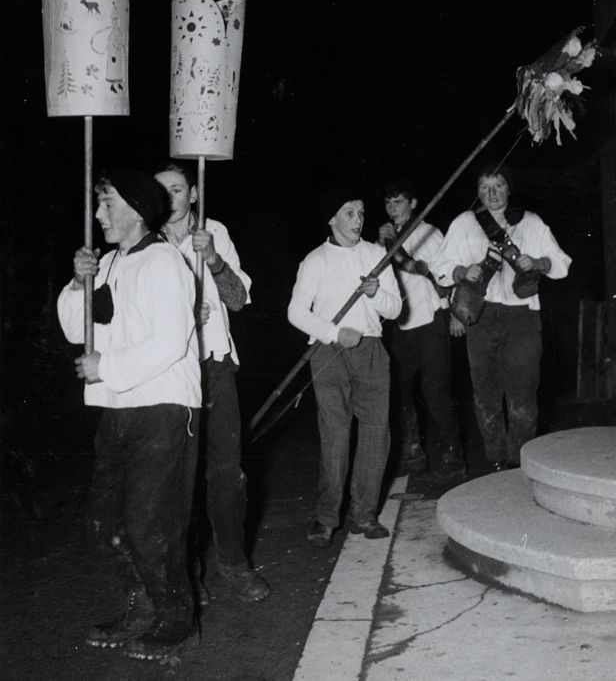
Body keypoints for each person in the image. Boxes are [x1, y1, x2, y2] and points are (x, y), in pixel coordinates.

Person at [57, 169, 201, 661]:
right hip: (117, 407)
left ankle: (177, 620)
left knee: (149, 524)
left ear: (137, 210)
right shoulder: (110, 263)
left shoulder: (164, 262)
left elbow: (171, 340)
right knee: (108, 521)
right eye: (98, 204)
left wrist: (107, 367)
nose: (98, 215)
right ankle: (141, 609)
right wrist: (78, 282)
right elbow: (77, 330)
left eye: (108, 204)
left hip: (162, 406)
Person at [155, 163, 270, 603]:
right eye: (161, 190)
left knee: (226, 471)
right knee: (176, 476)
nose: (168, 198)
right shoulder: (146, 242)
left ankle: (234, 564)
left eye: (177, 189)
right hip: (169, 370)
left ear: (194, 194)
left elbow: (238, 301)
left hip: (215, 365)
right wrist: (182, 316)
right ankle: (187, 573)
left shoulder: (214, 231)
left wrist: (214, 260)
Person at [432, 165, 571, 470]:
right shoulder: (465, 222)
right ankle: (496, 461)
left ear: (509, 188)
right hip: (481, 315)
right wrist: (461, 271)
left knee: (523, 393)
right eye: (485, 187)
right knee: (485, 393)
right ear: (477, 191)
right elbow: (438, 266)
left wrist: (538, 262)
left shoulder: (530, 222)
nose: (492, 193)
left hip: (522, 317)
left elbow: (562, 263)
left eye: (498, 185)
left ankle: (519, 463)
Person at [288, 185, 402, 548]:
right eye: (349, 213)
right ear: (332, 219)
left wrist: (376, 293)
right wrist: (335, 333)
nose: (357, 220)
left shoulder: (376, 254)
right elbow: (295, 312)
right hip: (329, 352)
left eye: (361, 213)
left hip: (372, 351)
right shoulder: (315, 260)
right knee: (335, 435)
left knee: (375, 433)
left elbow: (396, 309)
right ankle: (326, 518)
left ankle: (365, 515)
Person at [378, 179, 466, 482]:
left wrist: (455, 314)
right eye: (388, 203)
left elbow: (444, 274)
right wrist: (381, 243)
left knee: (435, 391)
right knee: (398, 390)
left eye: (398, 202)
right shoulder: (384, 238)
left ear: (413, 203)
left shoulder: (428, 232)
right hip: (400, 325)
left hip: (431, 321)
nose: (392, 209)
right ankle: (412, 451)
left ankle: (453, 454)